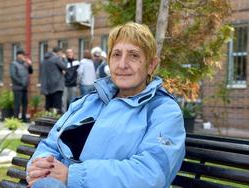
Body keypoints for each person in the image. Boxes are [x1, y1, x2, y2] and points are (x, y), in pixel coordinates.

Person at [26, 22, 185, 188]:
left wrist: (72, 175)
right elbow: (50, 145)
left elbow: (151, 174)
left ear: (151, 65)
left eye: (134, 55)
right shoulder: (89, 102)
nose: (122, 64)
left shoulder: (163, 111)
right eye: (116, 55)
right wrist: (40, 169)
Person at [40, 47, 67, 114]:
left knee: (48, 106)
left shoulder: (44, 60)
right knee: (57, 106)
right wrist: (64, 59)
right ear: (59, 52)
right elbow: (64, 67)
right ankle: (56, 122)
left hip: (47, 87)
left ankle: (47, 121)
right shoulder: (56, 58)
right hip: (56, 86)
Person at [10, 49, 33, 122]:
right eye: (23, 55)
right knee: (17, 104)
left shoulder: (25, 64)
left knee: (25, 103)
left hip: (24, 88)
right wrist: (21, 83)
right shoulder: (14, 64)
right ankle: (15, 119)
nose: (24, 57)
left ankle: (23, 118)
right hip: (17, 88)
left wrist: (30, 65)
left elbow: (31, 72)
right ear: (18, 55)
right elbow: (13, 76)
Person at [62, 48, 80, 113]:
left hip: (73, 84)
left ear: (73, 53)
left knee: (72, 101)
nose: (69, 54)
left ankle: (70, 115)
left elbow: (79, 73)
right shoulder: (64, 62)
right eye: (68, 53)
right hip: (65, 84)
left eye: (70, 52)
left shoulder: (77, 62)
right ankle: (63, 115)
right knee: (63, 101)